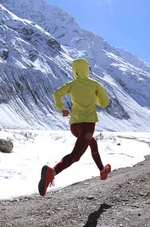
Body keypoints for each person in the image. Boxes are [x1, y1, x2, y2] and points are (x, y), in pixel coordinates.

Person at [38, 58, 111, 196]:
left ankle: (102, 171)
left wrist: (62, 108)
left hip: (74, 126)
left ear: (74, 71)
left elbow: (56, 94)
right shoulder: (94, 84)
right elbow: (104, 102)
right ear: (86, 69)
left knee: (91, 143)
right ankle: (52, 172)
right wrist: (93, 97)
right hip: (87, 125)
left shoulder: (71, 84)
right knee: (75, 156)